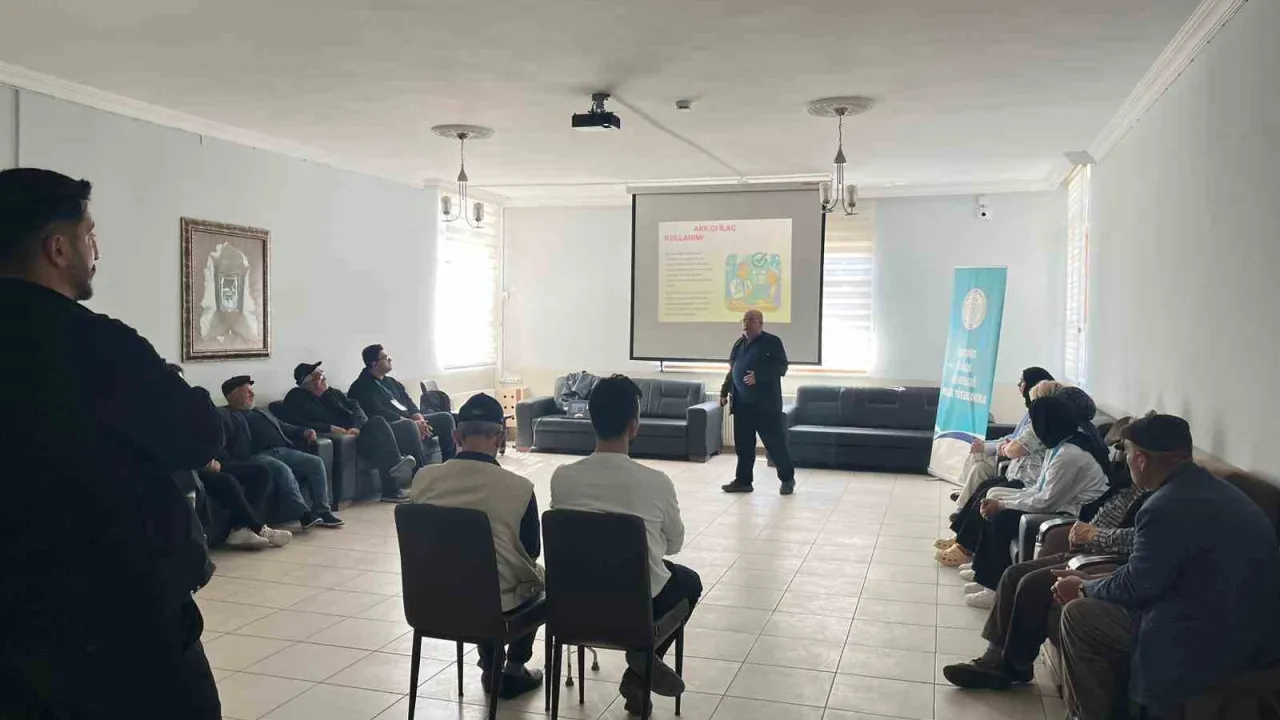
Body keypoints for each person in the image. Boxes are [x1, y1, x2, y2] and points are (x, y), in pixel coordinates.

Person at [0, 168, 223, 718]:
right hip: (115, 620)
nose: (95, 249)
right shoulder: (95, 343)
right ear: (57, 248)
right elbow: (198, 435)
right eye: (89, 234)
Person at [1053, 415, 1280, 720]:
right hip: (1249, 626)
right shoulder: (1211, 490)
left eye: (1128, 453)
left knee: (1078, 614)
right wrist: (1092, 579)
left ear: (1141, 460)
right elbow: (1157, 571)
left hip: (1206, 634)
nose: (1126, 462)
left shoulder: (1164, 507)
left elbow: (1138, 586)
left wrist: (1083, 588)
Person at [551, 374, 703, 713]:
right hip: (636, 606)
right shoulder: (656, 482)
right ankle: (641, 663)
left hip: (575, 602)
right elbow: (674, 544)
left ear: (592, 420)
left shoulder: (562, 478)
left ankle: (640, 667)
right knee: (689, 581)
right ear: (633, 427)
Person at [942, 481, 1150, 690]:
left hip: (1108, 559)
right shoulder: (1133, 486)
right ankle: (992, 656)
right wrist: (1082, 529)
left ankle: (1013, 666)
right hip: (1087, 549)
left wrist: (1094, 534)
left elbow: (1139, 540)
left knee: (1032, 584)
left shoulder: (1160, 501)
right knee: (1013, 574)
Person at [409, 394, 544, 698]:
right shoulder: (519, 488)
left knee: (469, 570)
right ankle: (514, 668)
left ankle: (490, 665)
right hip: (492, 606)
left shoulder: (423, 479)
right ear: (500, 437)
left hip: (429, 601)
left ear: (456, 436)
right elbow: (531, 551)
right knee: (533, 580)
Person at [953, 396, 1109, 607]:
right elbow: (1038, 490)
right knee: (993, 497)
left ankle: (993, 587)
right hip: (1056, 503)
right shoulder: (1059, 446)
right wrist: (1001, 500)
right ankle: (982, 571)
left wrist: (1003, 505)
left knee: (1001, 517)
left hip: (1072, 514)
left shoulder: (1070, 455)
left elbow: (1045, 502)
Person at [937, 374, 1059, 565]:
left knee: (989, 493)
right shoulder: (1036, 420)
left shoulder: (1045, 429)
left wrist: (1005, 447)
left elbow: (1015, 448)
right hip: (1019, 473)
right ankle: (962, 540)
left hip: (1027, 481)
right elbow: (1013, 441)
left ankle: (966, 548)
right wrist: (1005, 446)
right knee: (984, 487)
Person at [168, 364, 291, 548]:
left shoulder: (191, 409)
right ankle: (260, 528)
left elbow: (206, 439)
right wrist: (202, 461)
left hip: (208, 461)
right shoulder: (162, 414)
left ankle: (240, 529)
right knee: (227, 481)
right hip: (188, 469)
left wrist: (209, 457)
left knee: (261, 472)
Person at [278, 361, 416, 504]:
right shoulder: (296, 397)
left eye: (322, 374)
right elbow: (299, 423)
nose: (324, 378)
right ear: (308, 383)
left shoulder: (332, 392)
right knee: (381, 438)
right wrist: (330, 428)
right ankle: (394, 473)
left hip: (356, 433)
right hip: (343, 441)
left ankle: (397, 471)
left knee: (380, 423)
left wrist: (357, 427)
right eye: (319, 377)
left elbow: (356, 408)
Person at [221, 375, 344, 528]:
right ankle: (304, 514)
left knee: (315, 462)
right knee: (282, 469)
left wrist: (303, 431)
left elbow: (283, 426)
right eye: (247, 392)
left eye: (252, 391)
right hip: (257, 456)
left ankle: (323, 511)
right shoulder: (227, 416)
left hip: (282, 450)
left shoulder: (260, 411)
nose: (253, 394)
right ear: (233, 396)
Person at [719, 310, 795, 495]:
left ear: (760, 323)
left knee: (774, 444)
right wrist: (723, 391)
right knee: (743, 446)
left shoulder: (772, 342)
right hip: (742, 405)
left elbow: (781, 366)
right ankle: (743, 481)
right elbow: (733, 370)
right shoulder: (739, 344)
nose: (746, 323)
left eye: (751, 320)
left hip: (765, 406)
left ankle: (787, 479)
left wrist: (759, 375)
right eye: (744, 320)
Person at [348, 343, 457, 465]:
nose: (390, 359)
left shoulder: (391, 382)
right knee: (409, 427)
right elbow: (379, 412)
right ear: (374, 364)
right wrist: (414, 424)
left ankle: (450, 465)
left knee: (445, 418)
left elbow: (409, 403)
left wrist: (421, 421)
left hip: (409, 420)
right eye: (385, 358)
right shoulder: (361, 386)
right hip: (388, 427)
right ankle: (421, 471)